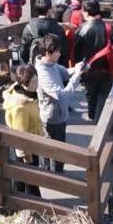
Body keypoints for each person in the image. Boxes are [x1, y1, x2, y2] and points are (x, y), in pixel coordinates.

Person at [72, 0, 113, 121]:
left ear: (85, 12)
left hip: (88, 70)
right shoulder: (109, 28)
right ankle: (100, 122)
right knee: (104, 96)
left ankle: (93, 118)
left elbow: (76, 54)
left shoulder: (81, 30)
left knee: (91, 95)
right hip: (107, 68)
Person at [0, 63, 43, 196]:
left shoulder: (25, 92)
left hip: (33, 143)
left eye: (37, 79)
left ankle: (15, 202)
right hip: (26, 150)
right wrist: (28, 157)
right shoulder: (21, 107)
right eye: (34, 81)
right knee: (30, 180)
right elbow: (21, 136)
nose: (37, 83)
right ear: (24, 83)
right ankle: (35, 205)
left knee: (21, 180)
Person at [33, 34, 73, 171]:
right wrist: (77, 78)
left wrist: (78, 69)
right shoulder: (43, 72)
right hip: (52, 117)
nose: (60, 54)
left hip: (57, 114)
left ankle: (49, 172)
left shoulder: (51, 64)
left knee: (51, 148)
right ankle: (55, 178)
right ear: (47, 53)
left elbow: (66, 73)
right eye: (57, 51)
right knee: (56, 151)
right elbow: (62, 96)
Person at [19, 0, 66, 64]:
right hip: (54, 67)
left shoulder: (28, 28)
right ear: (49, 10)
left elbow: (23, 52)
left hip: (34, 67)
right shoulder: (58, 28)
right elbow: (64, 52)